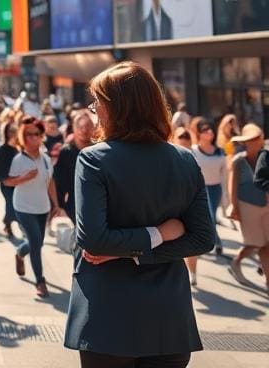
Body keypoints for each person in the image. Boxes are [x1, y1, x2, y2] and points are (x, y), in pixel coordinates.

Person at [65, 62, 215, 367]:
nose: (95, 111)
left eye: (98, 104)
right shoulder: (185, 160)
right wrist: (159, 234)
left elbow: (94, 240)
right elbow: (202, 238)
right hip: (168, 317)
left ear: (117, 108)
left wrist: (130, 251)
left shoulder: (94, 159)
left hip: (107, 316)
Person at [5, 117, 59, 297]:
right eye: (29, 134)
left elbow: (50, 182)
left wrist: (55, 204)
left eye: (37, 134)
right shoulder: (18, 159)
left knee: (37, 242)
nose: (34, 137)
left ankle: (20, 253)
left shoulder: (45, 159)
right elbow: (9, 182)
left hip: (42, 207)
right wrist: (24, 178)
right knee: (36, 243)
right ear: (23, 137)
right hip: (23, 207)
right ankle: (40, 281)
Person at [226, 124, 269, 292]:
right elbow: (232, 184)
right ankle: (236, 260)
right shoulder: (239, 160)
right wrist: (233, 205)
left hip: (266, 206)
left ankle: (267, 280)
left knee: (266, 244)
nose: (253, 143)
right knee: (255, 243)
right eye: (250, 141)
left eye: (256, 140)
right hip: (247, 205)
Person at [189, 119, 226, 263]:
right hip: (201, 188)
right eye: (205, 130)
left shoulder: (220, 151)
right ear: (199, 134)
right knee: (209, 217)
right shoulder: (193, 151)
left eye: (211, 130)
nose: (209, 132)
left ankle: (213, 242)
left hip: (216, 188)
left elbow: (224, 173)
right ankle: (216, 242)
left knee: (212, 216)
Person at [53, 110, 95, 225]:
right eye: (80, 127)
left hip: (98, 205)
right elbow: (60, 183)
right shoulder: (66, 152)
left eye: (88, 126)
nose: (84, 130)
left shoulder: (99, 151)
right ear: (74, 128)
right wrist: (59, 206)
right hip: (74, 206)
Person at [0, 122, 20, 238]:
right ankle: (8, 224)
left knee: (15, 207)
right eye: (11, 132)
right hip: (7, 185)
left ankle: (7, 222)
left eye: (15, 131)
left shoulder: (19, 149)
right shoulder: (3, 150)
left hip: (20, 183)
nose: (13, 134)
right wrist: (5, 179)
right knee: (11, 206)